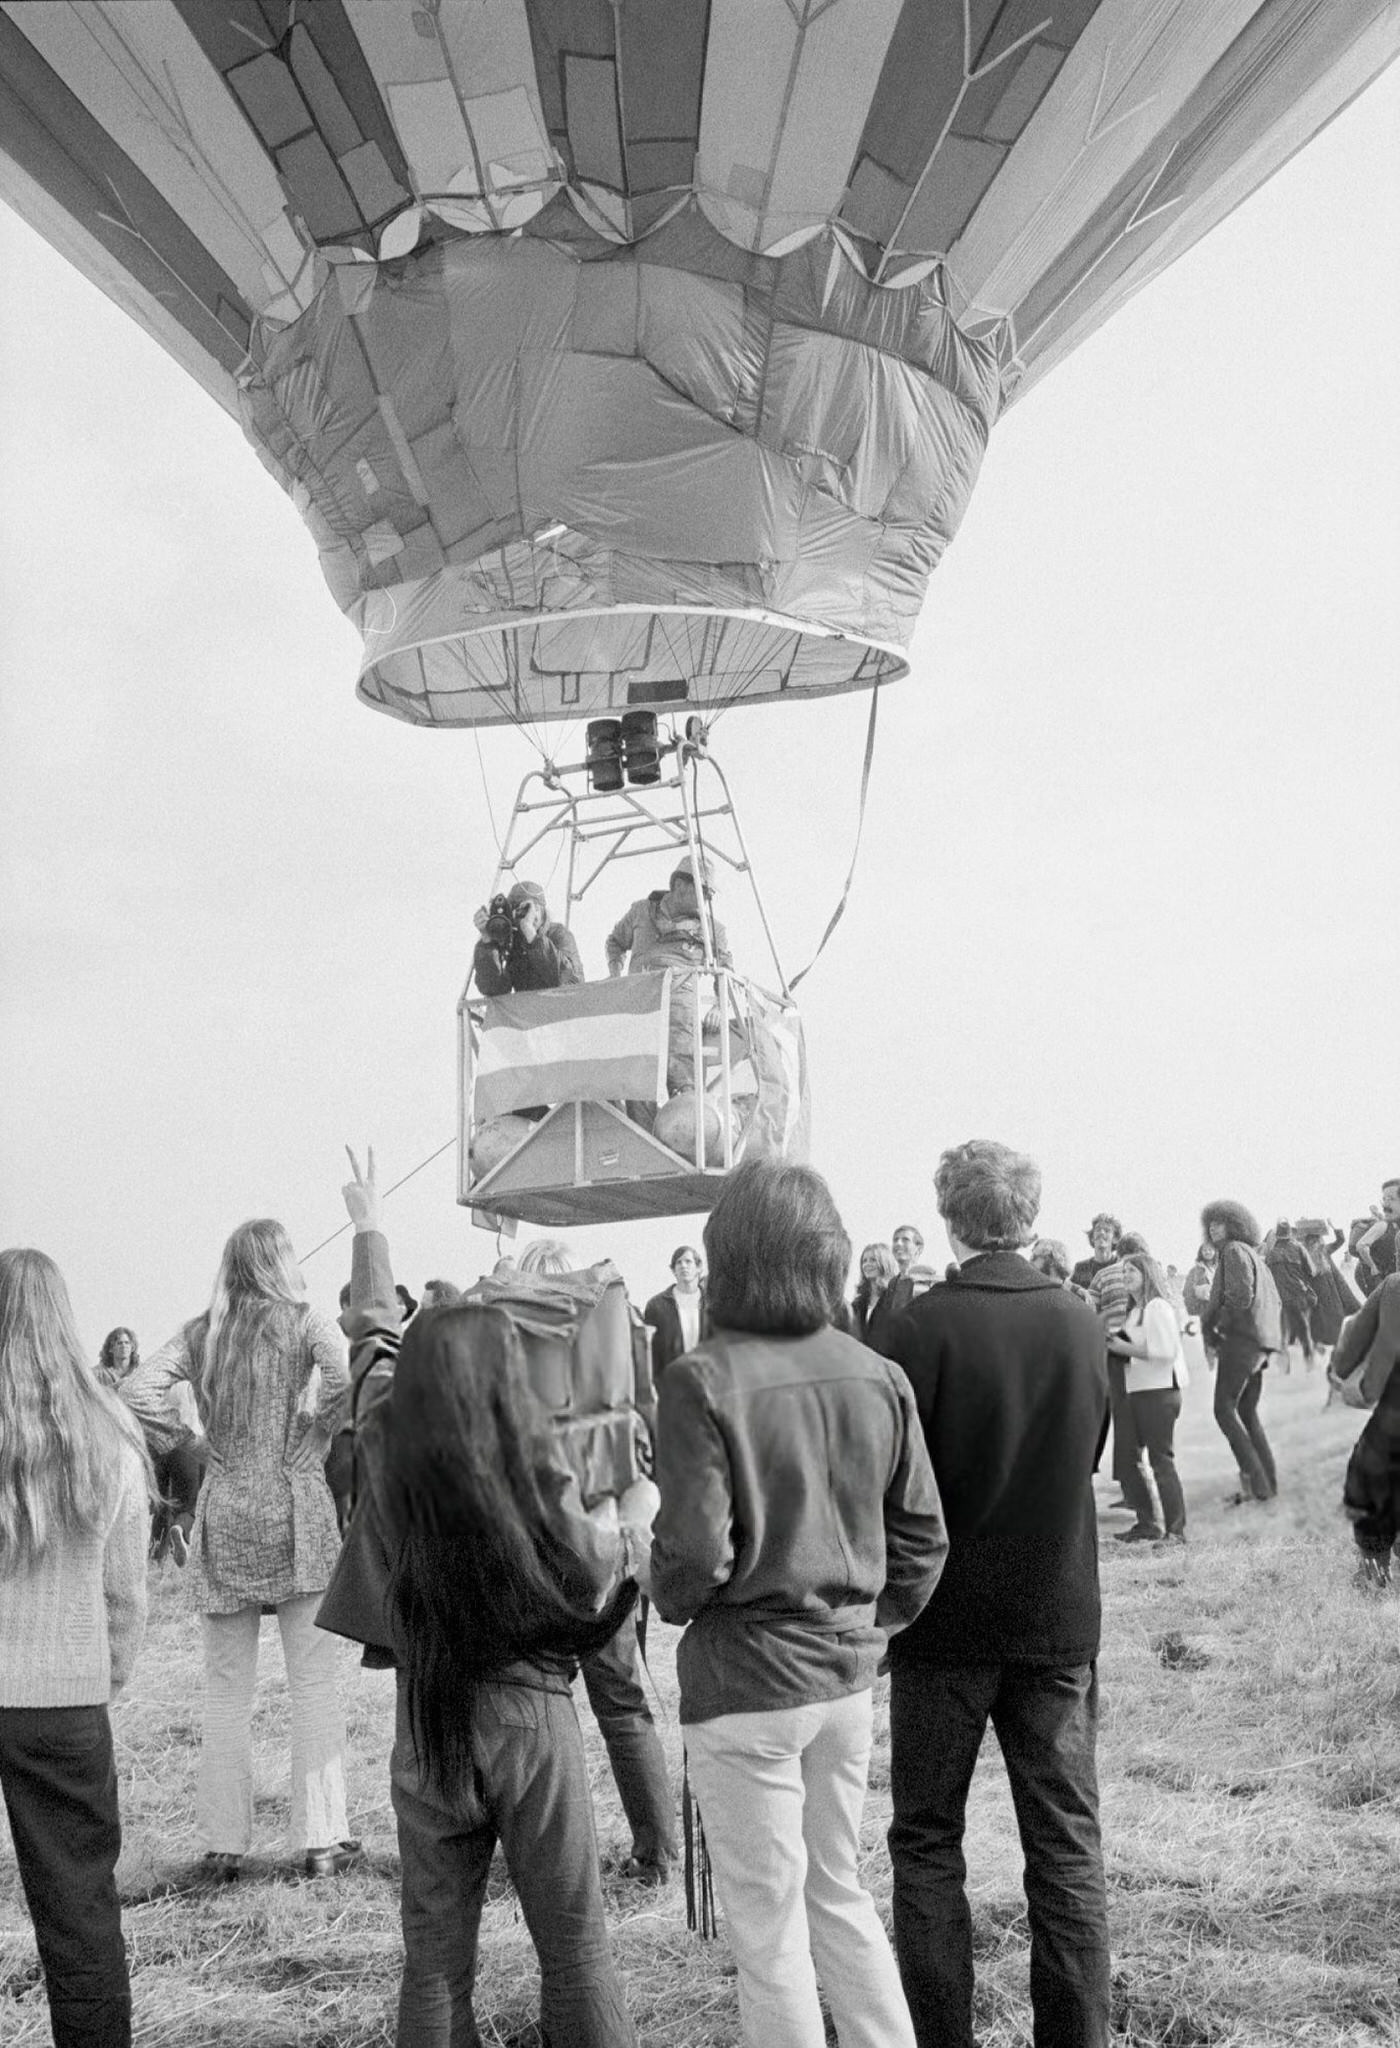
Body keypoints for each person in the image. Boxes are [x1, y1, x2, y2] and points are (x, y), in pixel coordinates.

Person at [320, 1151, 645, 2043]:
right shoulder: (530, 1453)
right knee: (575, 1947)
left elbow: (374, 1339)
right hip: (529, 1714)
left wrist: (370, 1225)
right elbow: (594, 1567)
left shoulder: (384, 1427)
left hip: (425, 1715)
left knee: (432, 1960)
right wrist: (631, 1532)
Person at [651, 1157, 947, 2048]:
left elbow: (695, 1553)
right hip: (843, 1681)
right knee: (840, 1892)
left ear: (727, 1256)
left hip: (745, 1681)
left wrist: (665, 1592)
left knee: (768, 1930)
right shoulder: (876, 1373)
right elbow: (925, 1539)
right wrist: (869, 1630)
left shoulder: (700, 1378)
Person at [883, 1139, 1112, 2048]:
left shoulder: (915, 1328)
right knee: (1064, 1844)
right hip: (1054, 1610)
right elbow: (1090, 1451)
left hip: (944, 1622)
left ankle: (942, 2038)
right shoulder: (1079, 1319)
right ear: (1030, 1214)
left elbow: (894, 1483)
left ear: (948, 1215)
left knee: (929, 1840)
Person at [125, 1218, 354, 1879]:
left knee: (226, 1691)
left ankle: (224, 1844)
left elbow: (135, 1390)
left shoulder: (203, 1331)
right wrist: (319, 1428)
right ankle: (319, 1841)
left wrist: (185, 1441)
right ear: (282, 1262)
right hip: (295, 1510)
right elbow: (346, 1378)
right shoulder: (308, 1321)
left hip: (225, 1511)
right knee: (313, 1684)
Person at [0, 1248, 151, 2048]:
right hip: (63, 1702)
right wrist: (104, 1673)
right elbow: (126, 1594)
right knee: (80, 1916)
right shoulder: (112, 1433)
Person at [501, 1236, 677, 1883]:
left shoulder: (516, 1380)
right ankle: (657, 1852)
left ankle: (550, 1856)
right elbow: (640, 1464)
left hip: (540, 1568)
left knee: (540, 1710)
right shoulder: (613, 1384)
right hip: (610, 1558)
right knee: (624, 1705)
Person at [606, 853, 733, 1103]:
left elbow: (726, 971)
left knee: (682, 1082)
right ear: (679, 886)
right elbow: (615, 942)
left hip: (679, 1012)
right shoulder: (641, 911)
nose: (708, 899)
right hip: (639, 1005)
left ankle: (684, 1131)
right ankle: (641, 1138)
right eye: (703, 891)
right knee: (638, 1083)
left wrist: (720, 1006)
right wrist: (615, 974)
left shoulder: (712, 930)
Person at [1200, 1200, 1281, 1506]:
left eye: (1219, 1222)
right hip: (1259, 1342)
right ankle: (1264, 1486)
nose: (1213, 1228)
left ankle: (1257, 1484)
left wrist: (1218, 1327)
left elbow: (1240, 1297)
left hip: (1241, 1342)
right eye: (1210, 1223)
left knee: (1224, 1410)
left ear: (1235, 1225)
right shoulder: (1253, 1255)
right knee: (1246, 1412)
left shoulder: (1233, 1251)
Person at [1106, 1253, 1190, 1544]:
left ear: (1147, 1274)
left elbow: (1165, 1352)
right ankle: (1148, 1524)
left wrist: (1122, 1347)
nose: (1125, 1275)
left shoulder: (1157, 1307)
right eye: (1124, 1271)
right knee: (1130, 1460)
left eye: (1132, 1270)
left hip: (1160, 1392)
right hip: (1139, 1392)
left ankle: (1176, 1531)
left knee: (1160, 1461)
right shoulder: (1136, 1311)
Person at [472, 877, 584, 995]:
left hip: (560, 1009)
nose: (524, 917)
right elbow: (494, 989)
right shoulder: (515, 941)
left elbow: (571, 981)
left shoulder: (559, 934)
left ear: (540, 909)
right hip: (526, 1011)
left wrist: (532, 936)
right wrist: (487, 941)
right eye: (516, 911)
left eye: (527, 909)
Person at [644, 1245, 710, 1379]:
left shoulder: (713, 1302)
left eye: (688, 1261)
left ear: (699, 1268)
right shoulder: (656, 1305)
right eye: (678, 1263)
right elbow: (650, 1352)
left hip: (708, 1381)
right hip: (672, 1384)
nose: (683, 1266)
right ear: (673, 1270)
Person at [1265, 1219, 1317, 1369]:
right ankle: (1310, 1366)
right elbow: (1312, 1272)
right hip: (1298, 1295)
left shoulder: (1272, 1253)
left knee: (1283, 1335)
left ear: (1278, 1235)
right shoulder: (1299, 1248)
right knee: (1304, 1331)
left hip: (1279, 1299)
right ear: (1290, 1234)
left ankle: (1284, 1371)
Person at [1355, 1181, 1400, 1296]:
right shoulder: (1383, 1225)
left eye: (1390, 1199)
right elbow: (1361, 1245)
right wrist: (1372, 1266)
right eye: (1384, 1199)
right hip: (1375, 1275)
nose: (1386, 1204)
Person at [851, 1242, 900, 1347]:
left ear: (885, 1263)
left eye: (873, 1260)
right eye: (864, 1261)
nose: (867, 1264)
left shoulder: (896, 1297)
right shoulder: (858, 1304)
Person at [1182, 1241, 1219, 1370]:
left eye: (1210, 1249)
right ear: (1201, 1253)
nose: (1207, 1252)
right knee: (1208, 1342)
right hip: (1204, 1311)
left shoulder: (1220, 1268)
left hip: (1221, 1311)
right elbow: (1187, 1292)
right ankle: (1210, 1371)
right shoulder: (1195, 1271)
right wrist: (1194, 1310)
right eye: (1205, 1250)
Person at [1069, 1213, 1120, 1292]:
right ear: (1092, 1238)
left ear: (1115, 1239)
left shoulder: (1121, 1265)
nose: (1101, 1232)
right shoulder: (1081, 1268)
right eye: (1098, 1229)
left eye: (1107, 1230)